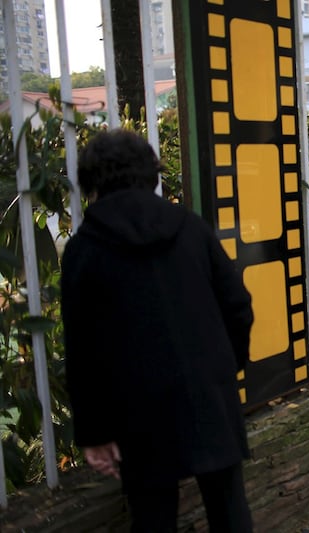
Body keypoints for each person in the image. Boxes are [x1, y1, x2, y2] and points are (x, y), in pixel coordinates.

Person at [61, 130, 254, 531]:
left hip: (136, 409)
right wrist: (224, 369)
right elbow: (238, 306)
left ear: (91, 180)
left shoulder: (85, 248)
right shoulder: (191, 228)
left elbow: (83, 350)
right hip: (207, 395)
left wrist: (94, 432)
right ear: (152, 173)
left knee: (152, 517)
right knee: (229, 510)